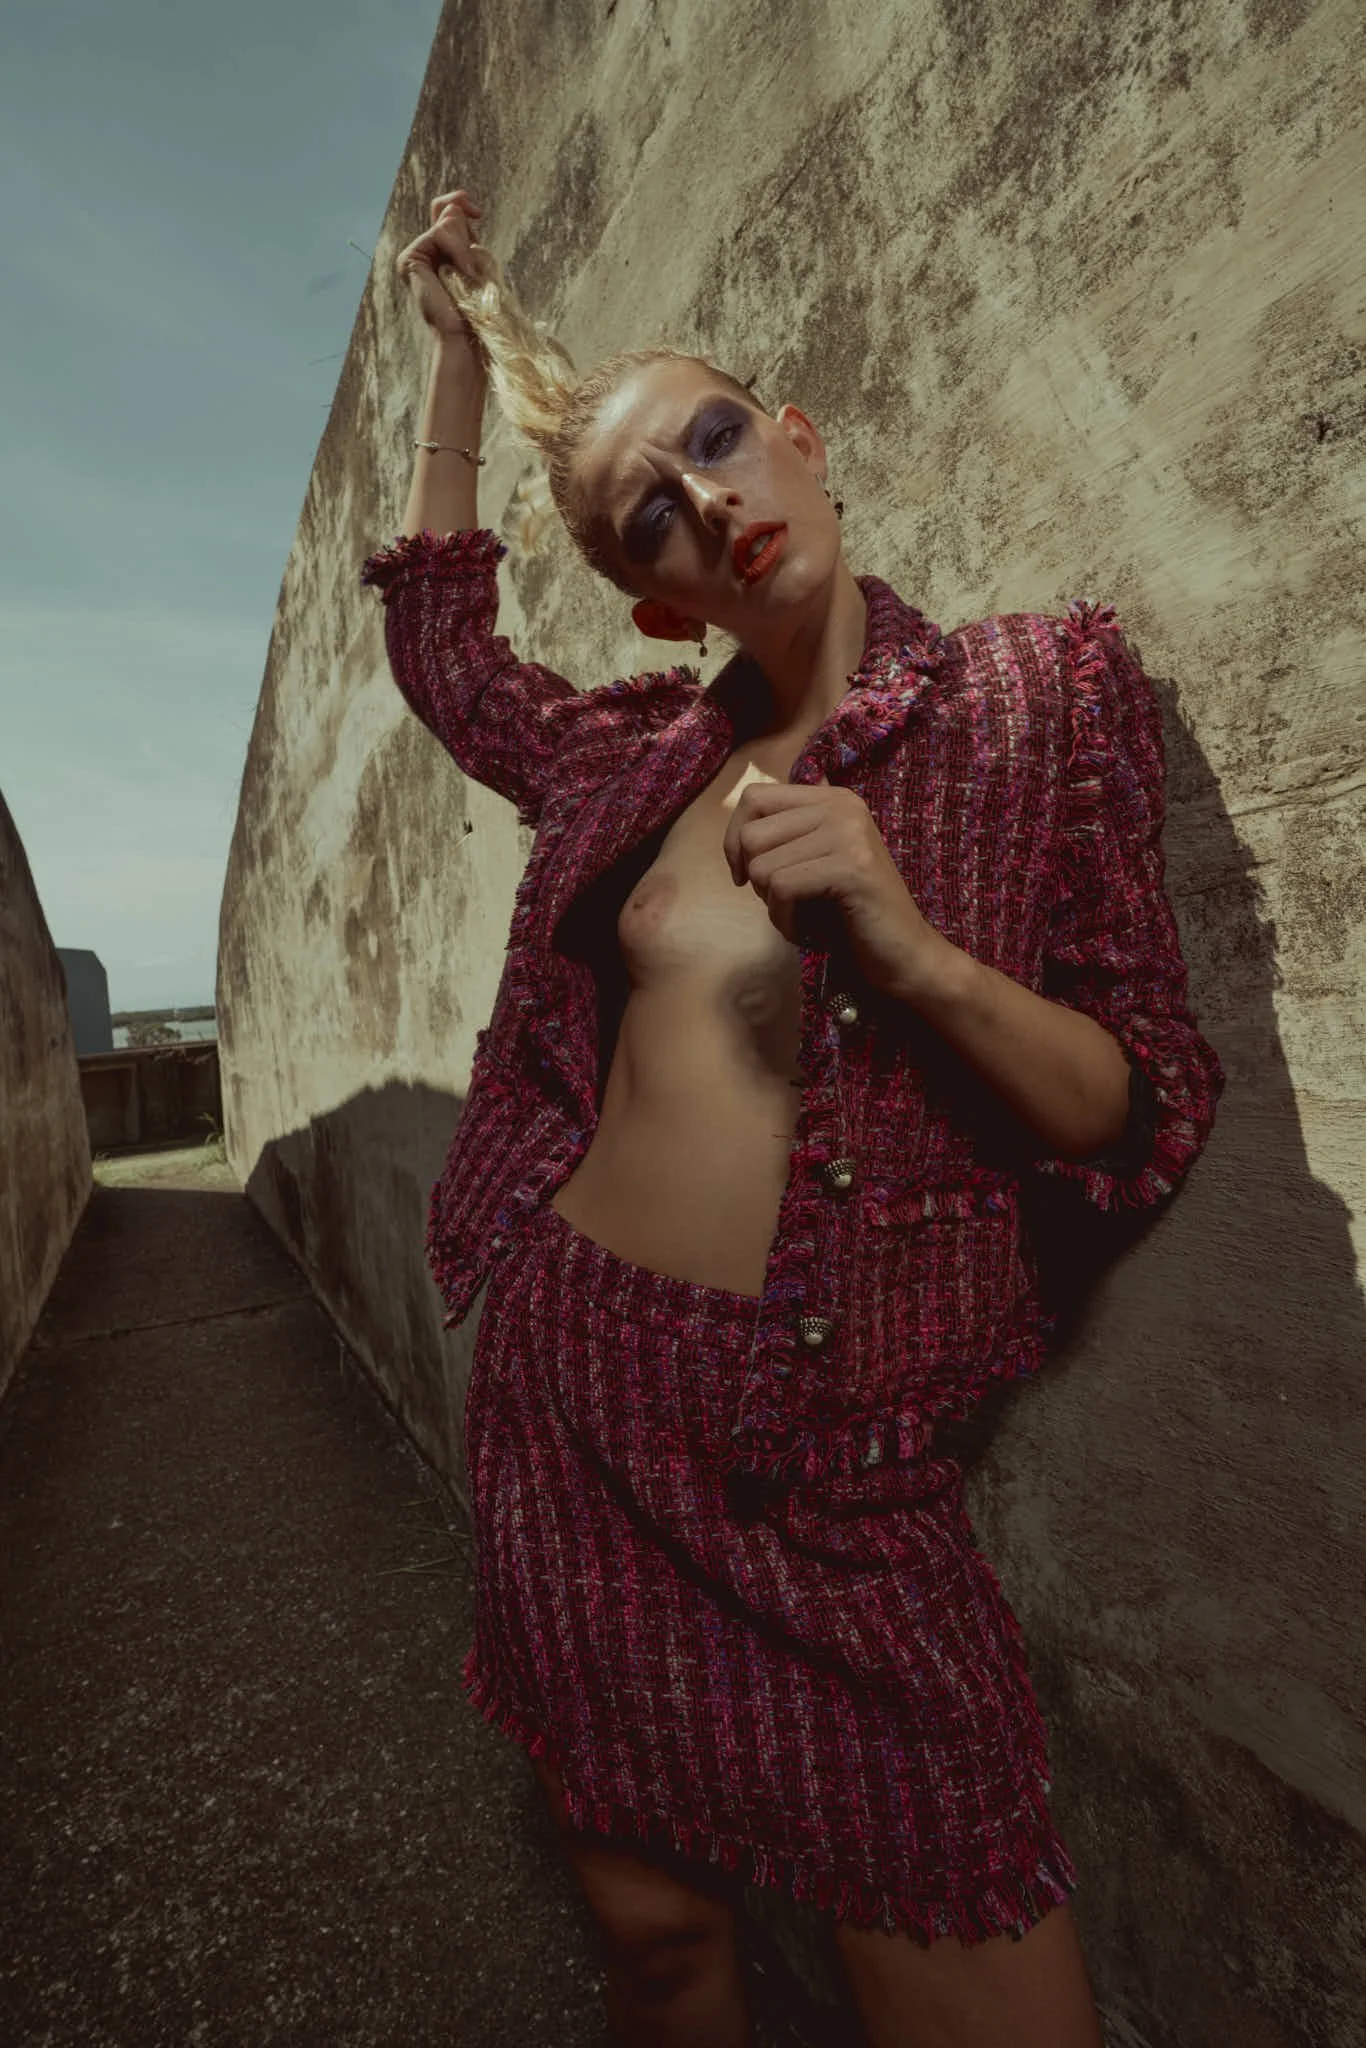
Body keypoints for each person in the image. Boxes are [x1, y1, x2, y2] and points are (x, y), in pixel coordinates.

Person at [360, 188, 1223, 2048]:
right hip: (576, 1403)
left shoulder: (1030, 693)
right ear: (655, 596)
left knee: (972, 1946)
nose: (706, 497)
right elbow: (444, 666)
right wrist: (445, 363)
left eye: (717, 439)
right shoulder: (628, 762)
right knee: (661, 1944)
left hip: (834, 1478)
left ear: (800, 439)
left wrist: (906, 950)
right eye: (647, 513)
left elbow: (1133, 1100)